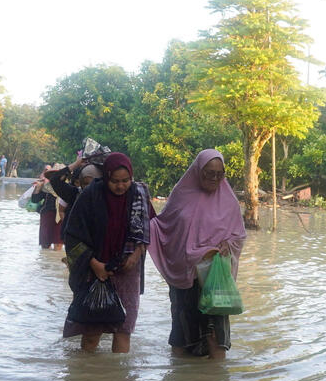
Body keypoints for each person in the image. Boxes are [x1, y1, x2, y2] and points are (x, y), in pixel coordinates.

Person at [148, 149, 246, 359]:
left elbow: (238, 236)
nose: (214, 178)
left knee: (215, 336)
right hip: (186, 274)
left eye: (219, 174)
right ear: (197, 171)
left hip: (215, 278)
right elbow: (164, 225)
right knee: (182, 333)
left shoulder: (229, 201)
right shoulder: (181, 194)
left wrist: (227, 245)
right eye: (209, 173)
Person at [62, 152, 153, 353]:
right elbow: (72, 236)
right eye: (114, 181)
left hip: (128, 270)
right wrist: (95, 264)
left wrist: (136, 255)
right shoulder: (90, 196)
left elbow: (148, 229)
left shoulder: (139, 193)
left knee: (124, 329)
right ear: (106, 177)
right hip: (95, 269)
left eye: (125, 181)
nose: (120, 186)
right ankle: (87, 378)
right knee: (92, 331)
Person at [30, 165, 63, 251]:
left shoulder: (67, 186)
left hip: (61, 215)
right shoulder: (45, 186)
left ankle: (54, 263)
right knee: (45, 244)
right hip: (47, 214)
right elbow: (35, 200)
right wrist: (37, 187)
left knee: (58, 243)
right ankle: (46, 263)